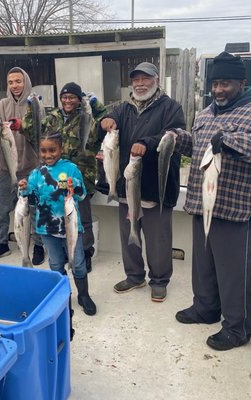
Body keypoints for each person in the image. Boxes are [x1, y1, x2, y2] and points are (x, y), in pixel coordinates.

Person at [173, 51, 251, 351]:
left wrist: (232, 140)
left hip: (238, 211)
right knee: (204, 266)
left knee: (235, 273)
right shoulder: (205, 113)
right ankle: (205, 308)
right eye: (215, 83)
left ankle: (238, 328)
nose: (218, 90)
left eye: (225, 83)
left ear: (241, 82)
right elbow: (199, 144)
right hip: (204, 204)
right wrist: (177, 138)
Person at [99, 62, 186, 303]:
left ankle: (159, 280)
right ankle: (135, 275)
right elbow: (105, 125)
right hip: (128, 182)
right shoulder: (121, 108)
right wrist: (105, 122)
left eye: (145, 79)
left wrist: (147, 143)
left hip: (157, 185)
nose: (139, 84)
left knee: (159, 238)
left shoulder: (171, 107)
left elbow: (175, 135)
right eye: (135, 80)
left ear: (156, 80)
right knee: (129, 232)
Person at [20, 81, 107, 272]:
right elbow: (29, 130)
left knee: (82, 218)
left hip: (80, 177)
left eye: (72, 97)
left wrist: (95, 105)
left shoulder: (87, 116)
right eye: (65, 97)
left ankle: (85, 252)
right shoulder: (52, 117)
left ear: (79, 100)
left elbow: (105, 123)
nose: (68, 101)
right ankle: (59, 252)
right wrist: (30, 107)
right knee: (52, 214)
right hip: (51, 179)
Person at [18, 131, 97, 316]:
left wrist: (74, 185)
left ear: (61, 149)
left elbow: (82, 194)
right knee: (55, 264)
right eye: (43, 151)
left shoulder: (70, 168)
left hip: (71, 228)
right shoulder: (36, 174)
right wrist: (24, 188)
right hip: (47, 228)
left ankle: (83, 295)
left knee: (77, 263)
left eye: (52, 150)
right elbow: (31, 199)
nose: (48, 155)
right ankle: (63, 298)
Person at [0, 67, 43, 263]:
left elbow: (41, 130)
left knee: (34, 209)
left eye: (18, 81)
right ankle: (1, 244)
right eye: (11, 82)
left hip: (32, 167)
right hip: (7, 168)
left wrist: (23, 126)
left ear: (25, 81)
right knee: (0, 206)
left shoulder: (35, 103)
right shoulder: (2, 104)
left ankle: (38, 246)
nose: (15, 85)